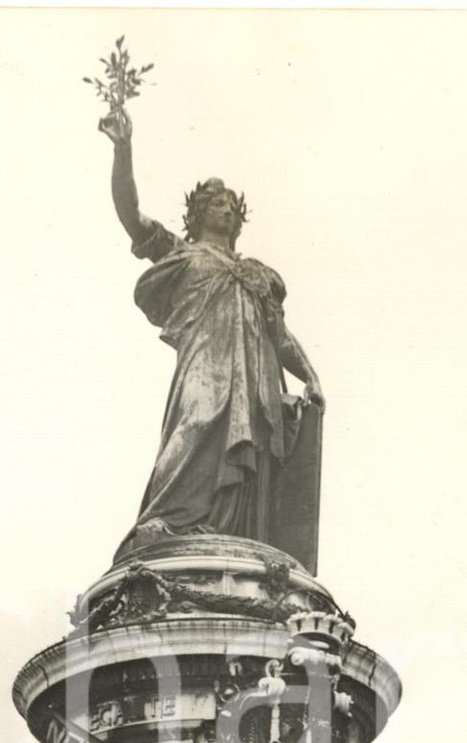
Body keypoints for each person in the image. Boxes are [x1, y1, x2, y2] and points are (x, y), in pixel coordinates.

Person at [101, 107, 324, 558]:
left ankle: (228, 533)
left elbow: (279, 335)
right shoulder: (181, 253)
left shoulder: (258, 274)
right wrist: (123, 148)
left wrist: (311, 376)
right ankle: (166, 520)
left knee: (252, 447)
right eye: (216, 203)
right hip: (205, 365)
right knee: (196, 423)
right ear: (198, 212)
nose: (226, 209)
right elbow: (131, 215)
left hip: (255, 379)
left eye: (231, 206)